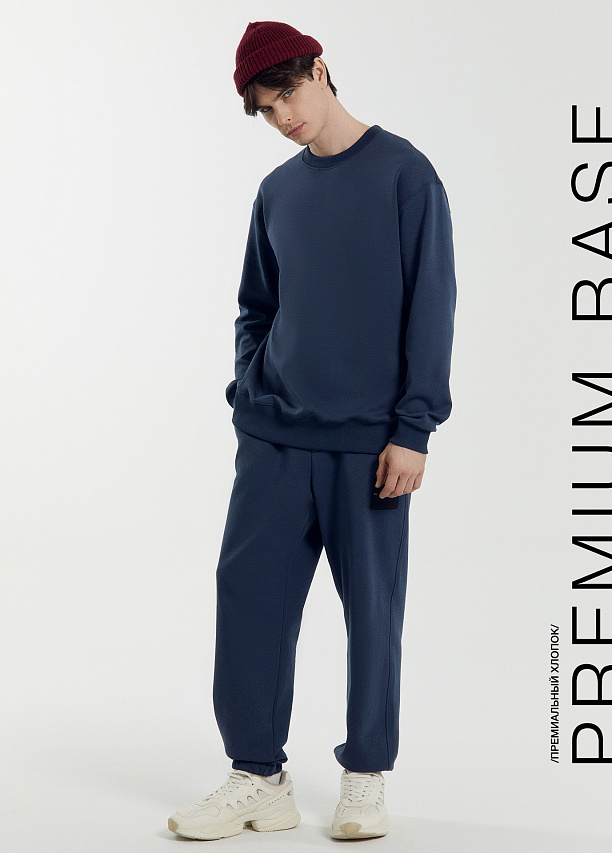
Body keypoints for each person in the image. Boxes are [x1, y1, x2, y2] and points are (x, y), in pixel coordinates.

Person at [168, 19, 457, 842]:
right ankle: (257, 776)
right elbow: (256, 305)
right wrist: (251, 389)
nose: (283, 117)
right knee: (248, 598)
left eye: (288, 93)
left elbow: (432, 306)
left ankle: (364, 777)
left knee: (372, 612)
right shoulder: (277, 192)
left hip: (369, 445)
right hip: (274, 437)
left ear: (320, 70)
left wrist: (414, 427)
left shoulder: (405, 175)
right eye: (266, 110)